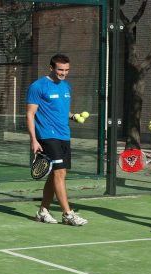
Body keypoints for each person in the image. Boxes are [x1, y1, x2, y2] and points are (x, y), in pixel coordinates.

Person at [26, 54, 87, 226]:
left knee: (56, 173)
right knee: (59, 173)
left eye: (66, 70)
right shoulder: (38, 87)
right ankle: (67, 214)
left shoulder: (66, 86)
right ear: (51, 68)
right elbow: (30, 113)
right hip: (46, 135)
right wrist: (33, 139)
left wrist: (73, 116)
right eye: (60, 70)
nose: (63, 73)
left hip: (64, 135)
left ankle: (43, 211)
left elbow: (59, 111)